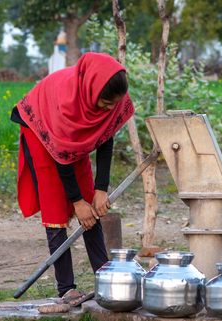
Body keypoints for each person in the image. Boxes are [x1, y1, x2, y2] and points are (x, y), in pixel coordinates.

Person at [10, 53, 134, 306]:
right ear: (91, 92)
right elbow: (61, 158)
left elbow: (105, 139)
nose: (110, 110)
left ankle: (104, 278)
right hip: (41, 128)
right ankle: (66, 288)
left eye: (114, 104)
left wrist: (100, 190)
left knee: (92, 205)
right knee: (56, 204)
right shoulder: (66, 103)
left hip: (68, 133)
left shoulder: (111, 97)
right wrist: (77, 202)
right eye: (106, 104)